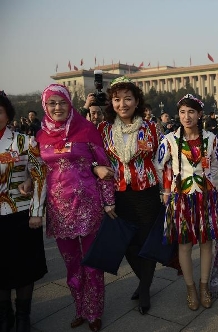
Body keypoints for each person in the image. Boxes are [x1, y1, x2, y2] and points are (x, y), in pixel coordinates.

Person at [36, 84, 115, 332]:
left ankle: (94, 312)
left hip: (88, 206)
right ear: (45, 107)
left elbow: (104, 166)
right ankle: (79, 308)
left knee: (92, 262)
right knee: (71, 263)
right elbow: (38, 172)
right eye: (52, 103)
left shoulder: (86, 128)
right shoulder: (40, 136)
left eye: (62, 102)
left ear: (70, 103)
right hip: (59, 210)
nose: (57, 107)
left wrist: (108, 200)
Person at [97, 76, 162, 315]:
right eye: (117, 99)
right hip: (119, 194)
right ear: (111, 102)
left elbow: (161, 160)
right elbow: (97, 160)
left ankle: (144, 289)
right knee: (127, 244)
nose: (122, 104)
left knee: (147, 242)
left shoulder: (151, 127)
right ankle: (145, 281)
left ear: (137, 101)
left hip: (146, 191)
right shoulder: (103, 129)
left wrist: (167, 190)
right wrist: (97, 169)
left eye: (127, 98)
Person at [155, 94, 218, 311]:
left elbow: (216, 165)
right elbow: (159, 165)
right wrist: (166, 189)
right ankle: (190, 287)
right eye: (182, 112)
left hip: (205, 196)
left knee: (206, 243)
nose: (186, 116)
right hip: (180, 197)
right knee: (184, 244)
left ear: (200, 114)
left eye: (191, 112)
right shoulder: (170, 140)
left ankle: (204, 286)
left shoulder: (211, 138)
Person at [0, 91, 47, 332]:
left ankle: (23, 316)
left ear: (7, 114)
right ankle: (4, 314)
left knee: (23, 267)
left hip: (19, 214)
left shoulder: (24, 142)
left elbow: (40, 176)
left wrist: (37, 211)